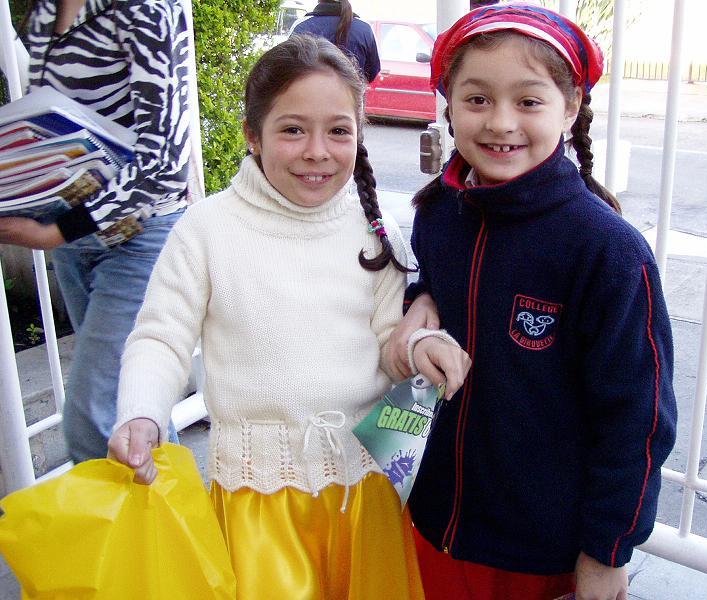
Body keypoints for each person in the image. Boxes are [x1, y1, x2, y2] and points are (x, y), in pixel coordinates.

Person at [108, 34, 471, 599]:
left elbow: (389, 341)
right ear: (253, 135)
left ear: (360, 133)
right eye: (293, 130)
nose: (317, 151)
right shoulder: (207, 230)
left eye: (338, 131)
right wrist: (142, 412)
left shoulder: (374, 229)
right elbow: (161, 335)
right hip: (258, 501)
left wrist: (421, 346)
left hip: (365, 491)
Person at [390, 4, 678, 600]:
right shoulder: (438, 213)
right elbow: (434, 285)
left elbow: (638, 419)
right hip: (434, 521)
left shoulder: (606, 251)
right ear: (449, 105)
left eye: (528, 101)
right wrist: (421, 302)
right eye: (477, 99)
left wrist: (607, 551)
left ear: (570, 107)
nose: (501, 123)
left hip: (544, 551)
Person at [0, 0, 191, 463]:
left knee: (92, 417)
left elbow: (167, 162)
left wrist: (56, 232)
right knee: (136, 407)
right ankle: (174, 507)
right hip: (75, 239)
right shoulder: (46, 11)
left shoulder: (146, 9)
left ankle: (119, 513)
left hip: (140, 238)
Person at [290, 0, 381, 83]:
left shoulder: (301, 26)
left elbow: (288, 70)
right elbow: (372, 72)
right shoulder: (364, 29)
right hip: (351, 94)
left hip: (309, 94)